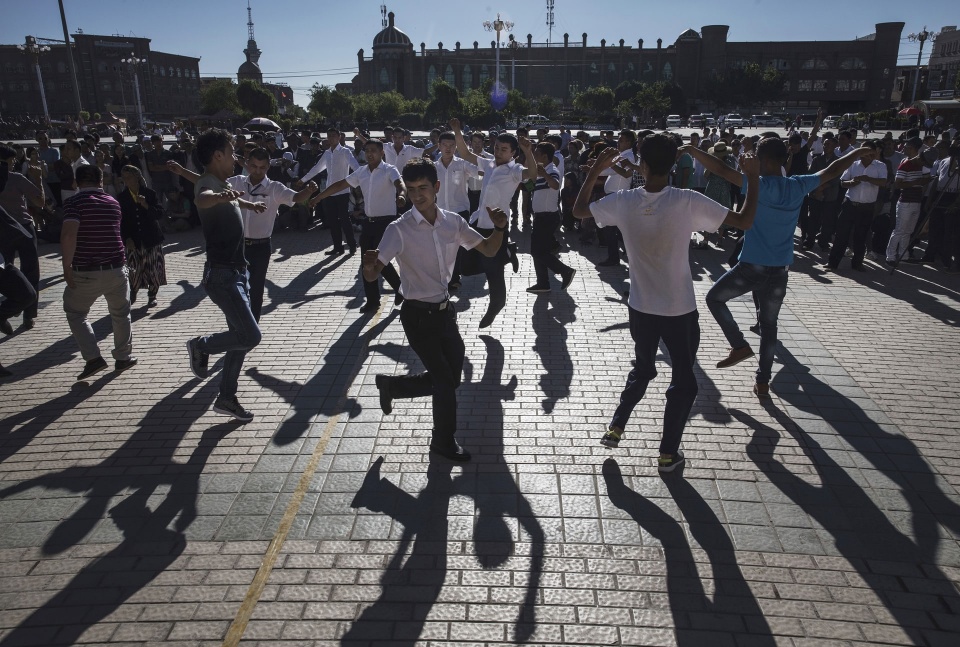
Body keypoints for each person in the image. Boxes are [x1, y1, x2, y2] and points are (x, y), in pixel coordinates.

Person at [573, 134, 758, 472]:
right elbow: (744, 221)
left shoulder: (624, 201)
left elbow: (579, 210)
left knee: (643, 368)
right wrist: (754, 179)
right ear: (674, 164)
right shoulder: (687, 200)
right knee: (684, 381)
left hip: (641, 307)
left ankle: (616, 426)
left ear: (642, 165)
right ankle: (668, 454)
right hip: (678, 310)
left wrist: (596, 170)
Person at [688, 137, 869, 397]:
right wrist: (857, 152)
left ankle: (739, 345)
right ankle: (762, 381)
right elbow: (833, 170)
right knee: (769, 326)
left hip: (752, 267)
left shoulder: (757, 184)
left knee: (714, 299)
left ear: (763, 160)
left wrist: (693, 150)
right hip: (780, 269)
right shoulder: (797, 184)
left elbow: (721, 169)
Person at [364, 158, 511, 462]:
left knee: (452, 379)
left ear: (437, 187)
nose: (417, 195)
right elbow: (373, 273)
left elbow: (488, 248)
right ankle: (443, 442)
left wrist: (500, 228)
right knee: (444, 382)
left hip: (445, 314)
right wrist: (368, 267)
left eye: (423, 188)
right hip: (417, 317)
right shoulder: (398, 229)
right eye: (411, 189)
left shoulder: (452, 222)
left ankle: (392, 386)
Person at [169, 148, 317, 321]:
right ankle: (236, 326)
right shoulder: (236, 182)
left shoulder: (274, 188)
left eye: (262, 167)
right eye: (253, 166)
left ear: (268, 167)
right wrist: (182, 171)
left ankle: (252, 326)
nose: (257, 171)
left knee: (255, 289)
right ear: (247, 164)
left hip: (261, 247)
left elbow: (296, 197)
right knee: (234, 289)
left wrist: (308, 191)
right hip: (237, 246)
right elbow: (206, 182)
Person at [184, 129, 267, 422]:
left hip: (237, 273)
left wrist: (249, 204)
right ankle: (201, 345)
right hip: (222, 276)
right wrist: (219, 197)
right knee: (250, 335)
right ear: (218, 156)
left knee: (239, 340)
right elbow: (203, 199)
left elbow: (230, 199)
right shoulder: (209, 184)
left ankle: (226, 398)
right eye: (232, 152)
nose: (236, 158)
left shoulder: (224, 184)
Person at [449, 118, 537, 328]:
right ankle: (507, 253)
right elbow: (466, 154)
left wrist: (528, 152)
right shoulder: (488, 164)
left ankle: (497, 303)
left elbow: (532, 176)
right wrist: (457, 131)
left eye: (504, 149)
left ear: (513, 153)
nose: (498, 152)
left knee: (493, 271)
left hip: (497, 227)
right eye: (496, 147)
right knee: (465, 267)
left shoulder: (514, 170)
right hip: (478, 221)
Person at [60, 165, 137, 381]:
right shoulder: (113, 202)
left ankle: (93, 358)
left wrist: (66, 267)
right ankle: (123, 357)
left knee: (76, 313)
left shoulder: (74, 203)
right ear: (101, 181)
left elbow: (69, 235)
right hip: (116, 268)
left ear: (76, 183)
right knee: (121, 314)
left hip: (86, 270)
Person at [309, 138, 405, 313]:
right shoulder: (361, 172)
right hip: (368, 222)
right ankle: (374, 301)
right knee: (366, 263)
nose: (369, 154)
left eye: (373, 150)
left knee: (379, 259)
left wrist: (402, 195)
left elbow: (400, 184)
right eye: (367, 150)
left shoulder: (389, 170)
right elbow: (340, 185)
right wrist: (318, 197)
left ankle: (398, 288)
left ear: (382, 152)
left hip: (386, 223)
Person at [0, 145, 45, 331]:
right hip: (16, 230)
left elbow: (39, 203)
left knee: (18, 271)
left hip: (19, 229)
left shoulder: (16, 178)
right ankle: (18, 310)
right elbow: (40, 201)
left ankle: (25, 312)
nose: (12, 165)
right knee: (23, 272)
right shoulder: (14, 178)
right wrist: (38, 179)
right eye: (9, 162)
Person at [825, 140, 887, 271]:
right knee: (841, 235)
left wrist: (867, 179)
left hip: (867, 207)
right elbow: (843, 182)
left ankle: (857, 264)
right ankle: (832, 263)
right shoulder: (853, 164)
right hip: (850, 204)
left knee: (861, 236)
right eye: (862, 151)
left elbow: (883, 182)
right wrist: (852, 182)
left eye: (867, 151)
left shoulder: (880, 166)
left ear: (873, 152)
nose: (863, 154)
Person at [301, 127, 361, 256]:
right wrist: (303, 180)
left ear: (339, 137)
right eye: (329, 136)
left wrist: (360, 181)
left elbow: (356, 167)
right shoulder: (327, 153)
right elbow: (317, 168)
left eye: (334, 135)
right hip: (328, 192)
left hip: (343, 191)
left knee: (345, 220)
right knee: (332, 221)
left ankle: (352, 245)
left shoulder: (345, 151)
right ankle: (337, 247)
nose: (331, 138)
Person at [527, 141, 576, 293]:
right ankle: (543, 283)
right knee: (539, 251)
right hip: (541, 217)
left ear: (545, 156)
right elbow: (530, 187)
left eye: (537, 153)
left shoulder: (551, 170)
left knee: (538, 251)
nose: (534, 155)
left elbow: (555, 185)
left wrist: (544, 175)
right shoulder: (540, 171)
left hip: (547, 217)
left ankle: (565, 271)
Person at [117, 165, 166, 307]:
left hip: (151, 237)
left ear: (137, 177)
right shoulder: (122, 197)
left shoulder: (149, 194)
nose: (126, 180)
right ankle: (133, 291)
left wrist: (145, 205)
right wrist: (126, 238)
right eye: (124, 178)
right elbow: (121, 221)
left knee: (153, 267)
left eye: (129, 177)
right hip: (133, 239)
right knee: (133, 268)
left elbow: (159, 213)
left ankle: (152, 294)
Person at [886, 137, 932, 265]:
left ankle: (903, 255)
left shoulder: (921, 165)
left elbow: (925, 180)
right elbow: (898, 184)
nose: (904, 148)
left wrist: (922, 182)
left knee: (908, 231)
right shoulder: (905, 163)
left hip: (916, 201)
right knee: (899, 230)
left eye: (906, 146)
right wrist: (916, 182)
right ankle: (890, 256)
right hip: (905, 202)